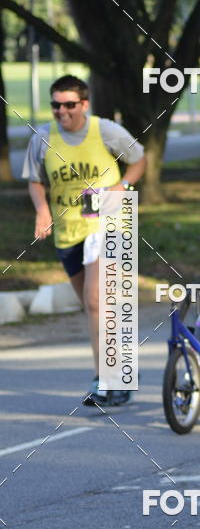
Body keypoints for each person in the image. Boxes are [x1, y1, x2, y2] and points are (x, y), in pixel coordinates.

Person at [22, 74, 146, 406]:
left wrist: (122, 187)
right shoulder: (43, 138)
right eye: (56, 105)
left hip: (108, 221)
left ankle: (107, 378)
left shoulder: (105, 130)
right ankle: (117, 371)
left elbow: (138, 159)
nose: (62, 111)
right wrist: (42, 210)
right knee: (93, 306)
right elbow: (35, 180)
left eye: (69, 105)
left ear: (84, 105)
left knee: (96, 300)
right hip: (68, 230)